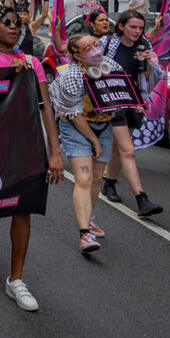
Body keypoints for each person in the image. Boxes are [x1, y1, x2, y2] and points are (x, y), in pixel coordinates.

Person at [0, 6, 64, 311]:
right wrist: (3, 75)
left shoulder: (32, 62)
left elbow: (46, 107)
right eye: (6, 23)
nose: (13, 27)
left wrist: (55, 152)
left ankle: (15, 279)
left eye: (18, 24)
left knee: (23, 207)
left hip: (27, 144)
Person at [50, 34, 124, 252]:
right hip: (76, 125)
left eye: (97, 45)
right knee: (83, 177)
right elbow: (74, 115)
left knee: (96, 178)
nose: (95, 50)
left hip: (104, 123)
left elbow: (124, 87)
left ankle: (89, 218)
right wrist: (94, 141)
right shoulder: (71, 76)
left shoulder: (110, 65)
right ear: (76, 54)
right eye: (87, 48)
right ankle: (84, 235)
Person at [98, 10, 164, 216]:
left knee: (120, 149)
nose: (138, 31)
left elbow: (150, 77)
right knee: (128, 150)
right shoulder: (107, 44)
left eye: (141, 28)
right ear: (121, 27)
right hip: (113, 100)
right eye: (133, 27)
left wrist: (149, 65)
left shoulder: (144, 46)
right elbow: (92, 67)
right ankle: (141, 199)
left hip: (135, 101)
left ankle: (109, 183)